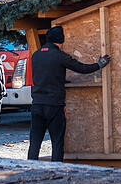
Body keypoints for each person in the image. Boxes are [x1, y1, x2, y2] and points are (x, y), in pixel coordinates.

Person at [27, 26, 110, 162]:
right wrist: (99, 65)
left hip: (37, 104)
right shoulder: (60, 56)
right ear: (59, 41)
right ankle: (57, 171)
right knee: (57, 142)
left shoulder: (36, 55)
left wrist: (60, 78)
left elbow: (44, 74)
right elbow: (82, 68)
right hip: (54, 105)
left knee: (35, 142)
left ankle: (30, 169)